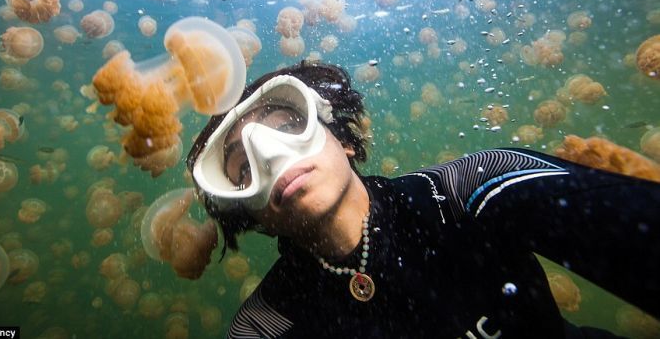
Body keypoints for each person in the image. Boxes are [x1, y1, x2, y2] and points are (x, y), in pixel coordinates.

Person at [186, 61, 660, 338]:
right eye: (243, 168)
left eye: (290, 125)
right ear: (250, 214)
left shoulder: (469, 189)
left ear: (344, 139)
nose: (272, 158)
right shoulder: (264, 328)